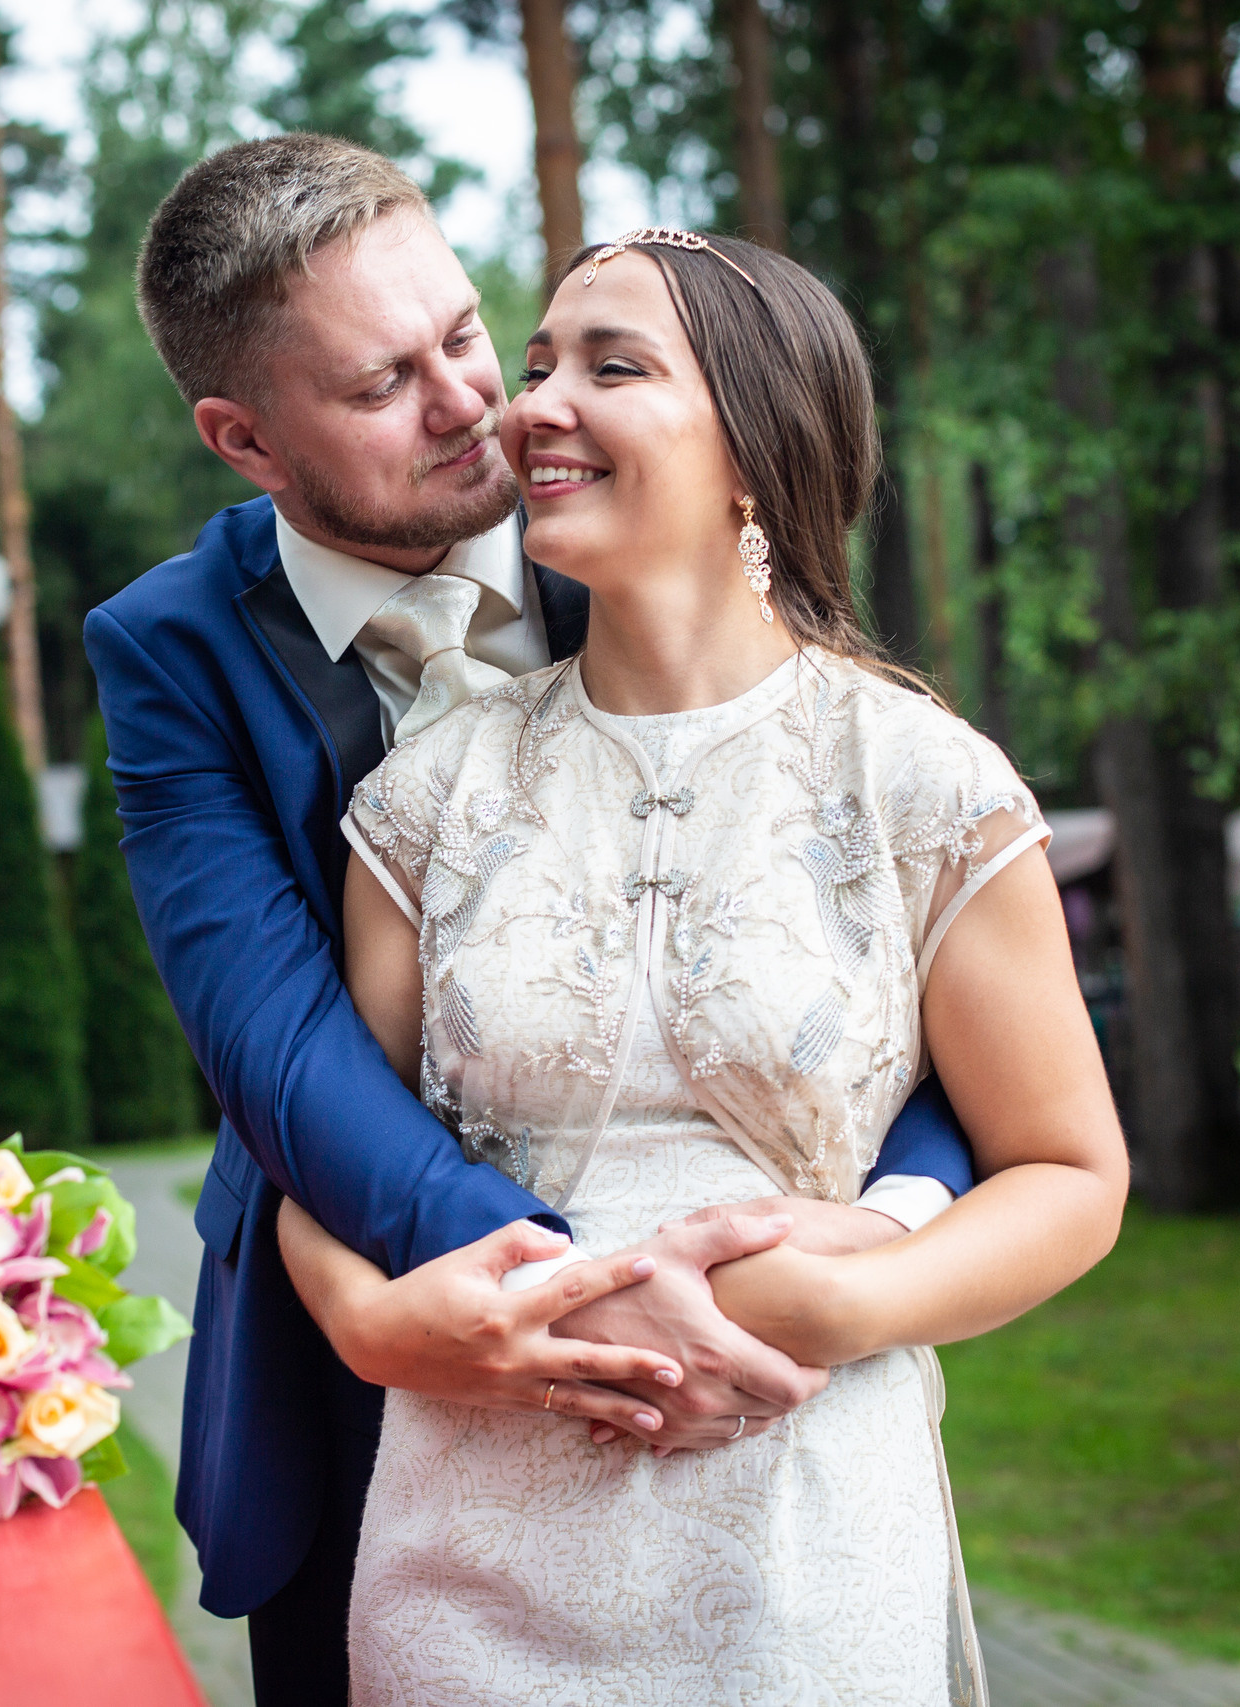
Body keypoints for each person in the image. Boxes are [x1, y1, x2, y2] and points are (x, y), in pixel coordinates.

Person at [85, 136, 987, 1707]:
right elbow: (279, 1046)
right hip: (371, 1329)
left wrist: (876, 1231)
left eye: (464, 336)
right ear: (242, 437)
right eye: (382, 387)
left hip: (747, 1351)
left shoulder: (648, 518)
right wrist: (515, 1300)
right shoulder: (168, 651)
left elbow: (883, 952)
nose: (471, 408)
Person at [271, 227, 1130, 1703]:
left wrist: (850, 1306)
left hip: (797, 1529)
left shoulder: (924, 783)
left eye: (612, 366)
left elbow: (1069, 1174)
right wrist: (372, 1318)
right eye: (536, 365)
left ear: (755, 451)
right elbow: (332, 1161)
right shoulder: (427, 801)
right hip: (472, 1555)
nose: (532, 404)